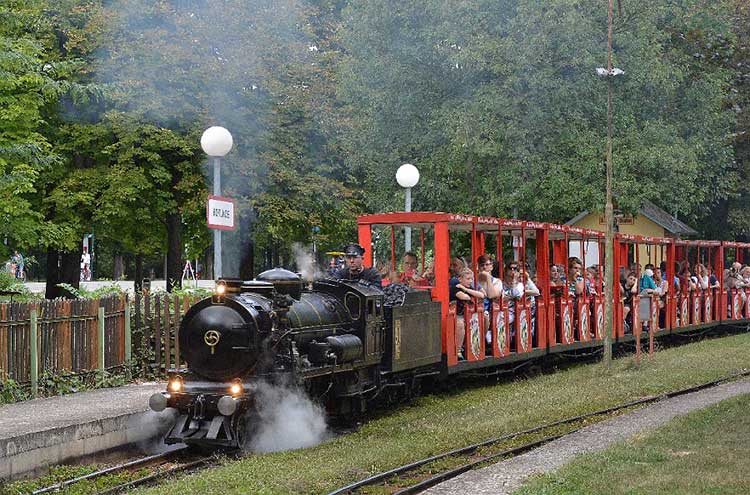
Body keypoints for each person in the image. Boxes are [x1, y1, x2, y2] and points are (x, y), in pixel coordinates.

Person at [450, 268, 485, 359]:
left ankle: (477, 345)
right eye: (468, 279)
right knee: (460, 323)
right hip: (455, 314)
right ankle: (458, 350)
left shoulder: (467, 288)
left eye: (471, 279)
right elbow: (465, 297)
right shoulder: (455, 288)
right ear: (460, 279)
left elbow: (482, 295)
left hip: (467, 314)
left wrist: (465, 289)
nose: (470, 281)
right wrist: (465, 290)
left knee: (484, 317)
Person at [476, 255, 502, 343]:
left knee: (485, 316)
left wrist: (487, 278)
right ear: (478, 266)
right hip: (474, 307)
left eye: (487, 265)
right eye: (482, 265)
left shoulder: (497, 281)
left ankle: (481, 340)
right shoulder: (473, 279)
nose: (484, 267)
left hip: (488, 311)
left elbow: (491, 295)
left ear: (491, 266)